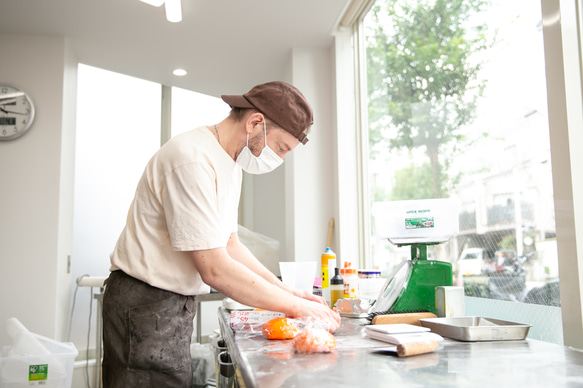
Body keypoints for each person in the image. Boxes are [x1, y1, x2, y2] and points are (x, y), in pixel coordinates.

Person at [101, 81, 341, 386]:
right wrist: (297, 308)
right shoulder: (191, 158)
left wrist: (287, 292)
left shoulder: (230, 163)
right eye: (281, 147)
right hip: (145, 300)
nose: (279, 159)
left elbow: (229, 244)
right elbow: (214, 268)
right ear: (255, 122)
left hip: (171, 302)